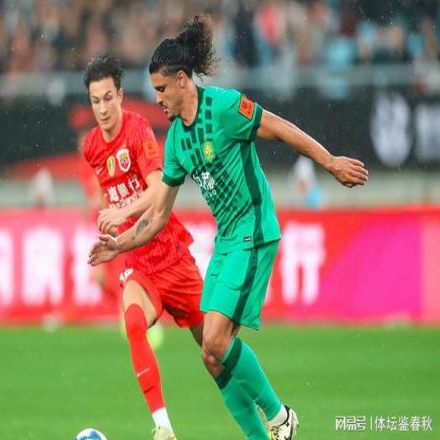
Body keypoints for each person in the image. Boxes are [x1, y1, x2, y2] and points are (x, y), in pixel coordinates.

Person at [88, 16, 368, 440]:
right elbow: (159, 215)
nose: (157, 98)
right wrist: (119, 244)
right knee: (211, 356)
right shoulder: (177, 141)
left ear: (182, 80)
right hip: (226, 241)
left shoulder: (224, 108)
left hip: (254, 230)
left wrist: (329, 162)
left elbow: (279, 127)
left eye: (161, 89)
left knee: (217, 341)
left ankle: (280, 417)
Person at [82, 55, 204, 440]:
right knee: (133, 323)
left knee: (216, 350)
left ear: (120, 96)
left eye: (108, 98)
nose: (103, 108)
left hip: (169, 250)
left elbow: (157, 190)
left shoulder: (137, 130)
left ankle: (272, 413)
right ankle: (163, 428)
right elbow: (112, 190)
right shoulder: (91, 146)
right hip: (137, 255)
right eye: (95, 101)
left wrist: (120, 212)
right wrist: (116, 236)